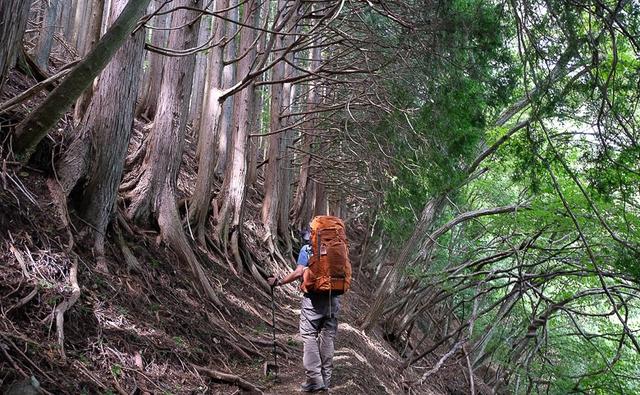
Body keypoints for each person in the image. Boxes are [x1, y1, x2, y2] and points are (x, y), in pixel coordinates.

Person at [268, 231, 341, 393]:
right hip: (333, 299)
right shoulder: (337, 249)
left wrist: (278, 282)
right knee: (328, 336)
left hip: (313, 301)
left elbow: (299, 272)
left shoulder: (307, 249)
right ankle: (326, 380)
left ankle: (315, 380)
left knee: (309, 336)